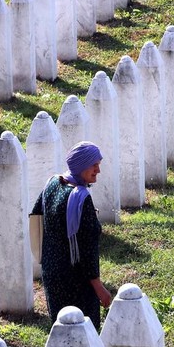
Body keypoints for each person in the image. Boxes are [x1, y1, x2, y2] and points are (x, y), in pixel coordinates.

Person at [31, 141, 112, 330]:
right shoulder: (81, 198)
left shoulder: (52, 184)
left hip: (52, 272)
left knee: (60, 329)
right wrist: (99, 287)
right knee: (83, 333)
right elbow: (87, 248)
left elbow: (36, 215)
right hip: (75, 280)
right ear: (82, 165)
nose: (98, 170)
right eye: (94, 165)